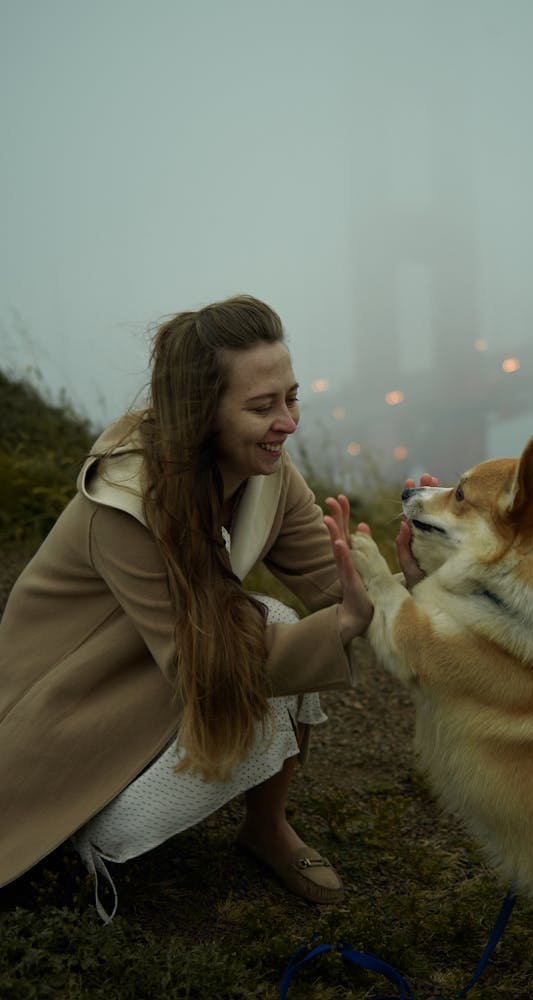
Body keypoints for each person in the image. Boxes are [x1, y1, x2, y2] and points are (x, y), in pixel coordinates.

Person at [0, 294, 427, 921]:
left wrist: (409, 582)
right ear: (202, 414)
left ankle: (266, 828)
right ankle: (81, 845)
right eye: (263, 406)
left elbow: (335, 586)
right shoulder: (124, 505)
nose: (289, 421)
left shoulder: (269, 474)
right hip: (60, 716)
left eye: (291, 397)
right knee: (273, 628)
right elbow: (206, 659)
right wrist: (339, 624)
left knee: (276, 630)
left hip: (147, 674)